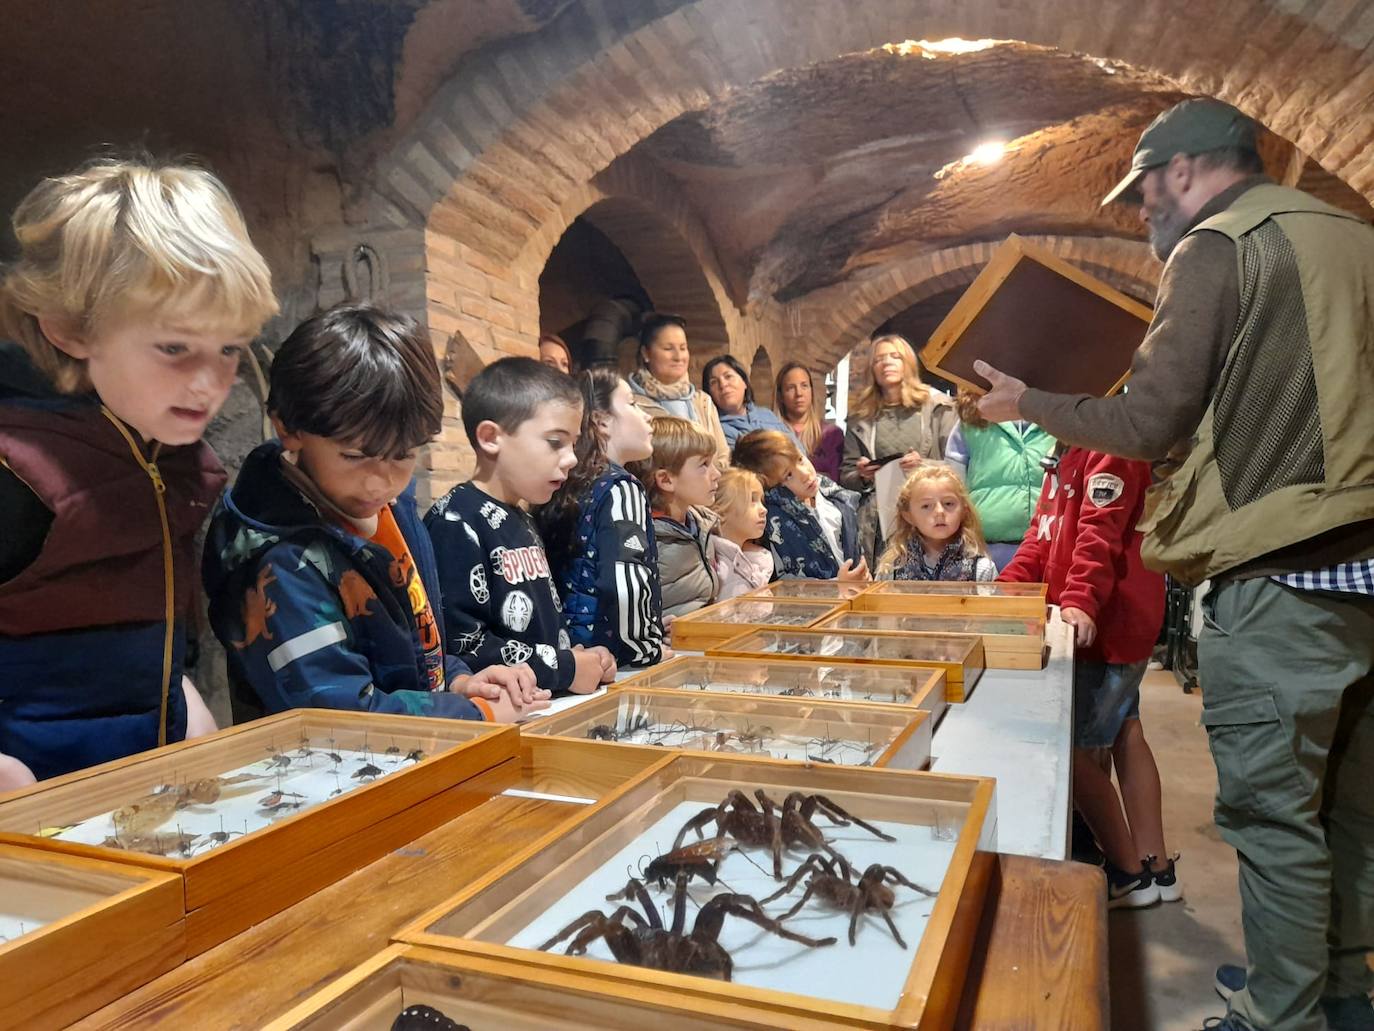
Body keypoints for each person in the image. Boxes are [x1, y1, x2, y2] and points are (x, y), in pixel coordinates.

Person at [976, 97, 1374, 1031]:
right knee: (1353, 810)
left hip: (1282, 576)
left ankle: (1281, 1015)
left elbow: (1149, 421)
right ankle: (1341, 992)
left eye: (1145, 189)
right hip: (1365, 573)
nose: (1143, 208)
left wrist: (1028, 399)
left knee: (1277, 823)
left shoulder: (1218, 245)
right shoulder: (1356, 236)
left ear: (1184, 170)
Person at [0, 158, 278, 784]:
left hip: (134, 804)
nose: (212, 384)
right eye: (175, 347)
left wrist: (184, 697)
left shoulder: (170, 462)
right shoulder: (15, 472)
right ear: (71, 328)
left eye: (229, 348)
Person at [203, 305, 548, 725]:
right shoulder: (277, 558)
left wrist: (458, 680)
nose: (380, 482)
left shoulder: (393, 508)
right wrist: (474, 713)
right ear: (288, 428)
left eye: (404, 455)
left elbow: (418, 641)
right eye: (354, 456)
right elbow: (337, 716)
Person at [999, 446, 1175, 908]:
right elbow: (1042, 534)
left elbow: (1100, 533)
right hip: (1096, 619)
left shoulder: (1110, 446)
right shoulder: (1063, 453)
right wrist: (1005, 591)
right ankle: (1156, 866)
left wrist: (1079, 598)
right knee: (1125, 733)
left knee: (1068, 749)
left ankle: (1126, 872)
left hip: (1106, 624)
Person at [426, 358, 616, 696]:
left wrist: (579, 658)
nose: (571, 458)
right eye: (556, 442)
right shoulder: (454, 521)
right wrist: (565, 668)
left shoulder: (523, 516)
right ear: (490, 438)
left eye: (573, 443)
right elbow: (463, 646)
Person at [539, 368, 667, 668]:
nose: (647, 416)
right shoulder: (620, 487)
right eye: (633, 403)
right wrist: (646, 647)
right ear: (602, 420)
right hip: (612, 659)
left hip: (570, 655)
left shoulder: (571, 481)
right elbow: (626, 584)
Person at [840, 334, 958, 566]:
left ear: (908, 363)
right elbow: (846, 474)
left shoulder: (937, 407)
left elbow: (956, 465)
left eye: (895, 356)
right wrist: (863, 474)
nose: (886, 363)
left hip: (928, 511)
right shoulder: (861, 416)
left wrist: (923, 465)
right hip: (879, 518)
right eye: (879, 359)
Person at [733, 429, 868, 582]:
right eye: (788, 475)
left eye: (800, 459)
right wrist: (837, 585)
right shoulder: (772, 521)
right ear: (772, 488)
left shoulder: (833, 495)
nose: (805, 474)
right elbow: (782, 582)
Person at [945, 389, 1053, 571]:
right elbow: (952, 489)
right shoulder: (970, 419)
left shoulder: (1057, 416)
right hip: (984, 553)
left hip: (1049, 549)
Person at [629, 416, 721, 618]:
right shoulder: (645, 537)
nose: (716, 474)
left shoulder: (701, 522)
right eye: (704, 464)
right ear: (666, 479)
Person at [627, 312, 729, 468]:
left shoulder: (702, 402)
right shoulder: (632, 405)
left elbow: (723, 456)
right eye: (668, 348)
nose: (678, 356)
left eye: (683, 348)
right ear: (646, 354)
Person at [876, 465, 996, 582]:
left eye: (948, 504)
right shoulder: (891, 569)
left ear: (964, 510)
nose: (939, 512)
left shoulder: (981, 569)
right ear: (908, 516)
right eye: (926, 506)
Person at [701, 354, 798, 449]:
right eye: (713, 382)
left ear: (744, 382)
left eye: (728, 376)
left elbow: (798, 449)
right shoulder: (716, 429)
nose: (723, 385)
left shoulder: (767, 415)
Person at [709, 467, 773, 600]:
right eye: (752, 500)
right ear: (721, 512)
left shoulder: (758, 561)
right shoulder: (714, 566)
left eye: (761, 501)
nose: (764, 510)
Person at [775, 361, 844, 481]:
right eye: (791, 388)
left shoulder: (832, 435)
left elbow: (837, 480)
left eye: (804, 386)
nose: (799, 393)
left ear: (812, 391)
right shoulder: (773, 434)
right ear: (781, 396)